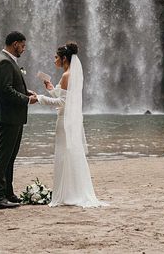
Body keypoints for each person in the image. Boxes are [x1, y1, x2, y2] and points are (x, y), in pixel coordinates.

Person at [37, 42, 105, 207]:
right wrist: (50, 88)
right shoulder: (70, 74)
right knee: (68, 154)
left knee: (63, 155)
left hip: (64, 121)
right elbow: (64, 96)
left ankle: (67, 194)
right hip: (69, 120)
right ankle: (72, 191)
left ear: (64, 58)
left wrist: (38, 98)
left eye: (56, 57)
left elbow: (62, 102)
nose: (54, 60)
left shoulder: (67, 75)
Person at [0, 31, 38, 209]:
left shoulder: (7, 60)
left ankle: (7, 193)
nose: (24, 49)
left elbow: (11, 87)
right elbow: (5, 91)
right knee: (3, 157)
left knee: (10, 157)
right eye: (23, 46)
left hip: (13, 116)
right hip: (8, 116)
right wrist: (26, 100)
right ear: (15, 43)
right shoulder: (4, 61)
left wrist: (26, 93)